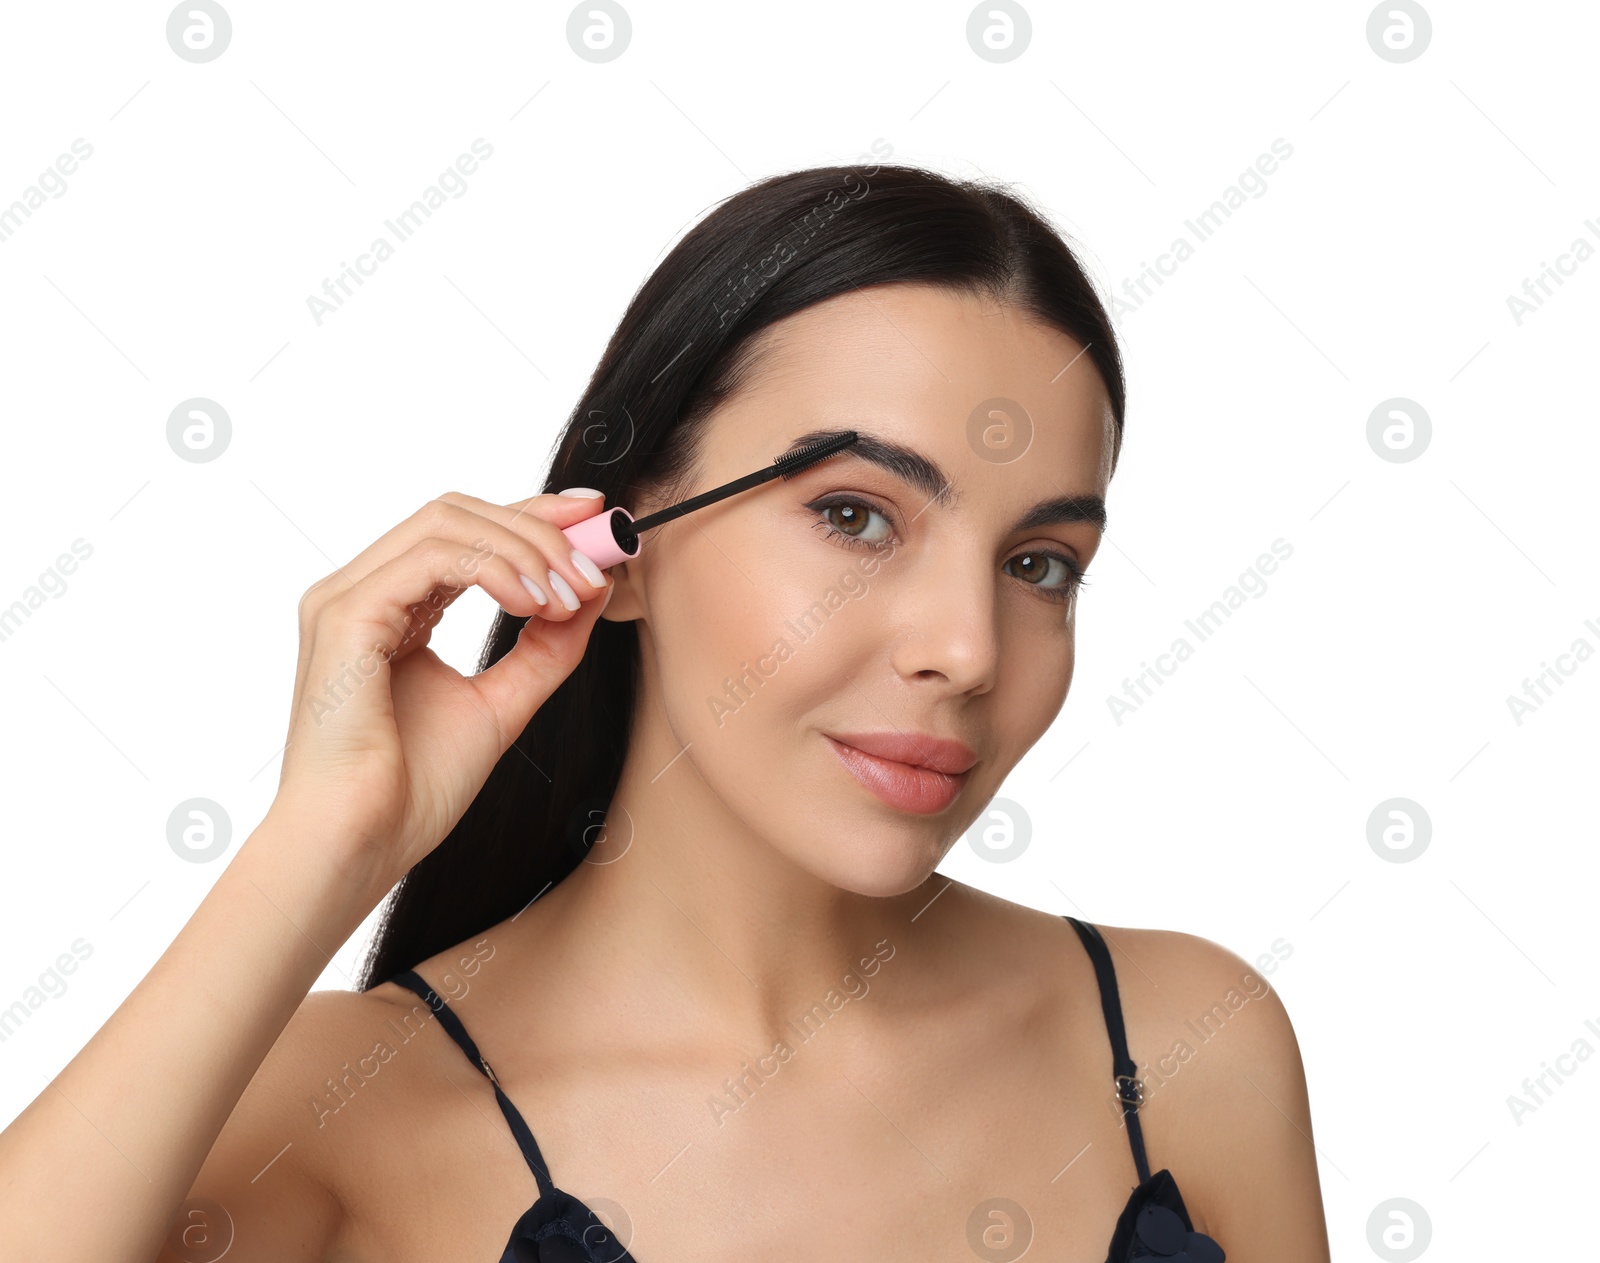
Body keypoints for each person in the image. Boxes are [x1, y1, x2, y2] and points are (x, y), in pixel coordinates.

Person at [0, 164, 1331, 1262]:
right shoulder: (340, 1109)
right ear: (620, 547)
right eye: (856, 515)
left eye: (1039, 563)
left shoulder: (1183, 1046)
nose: (967, 649)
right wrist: (326, 840)